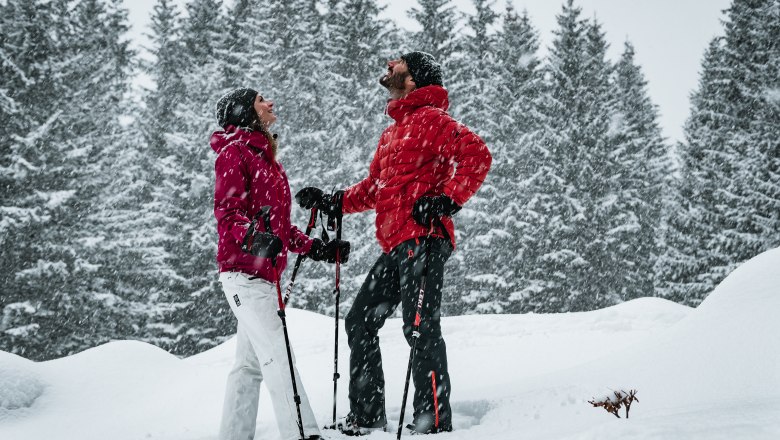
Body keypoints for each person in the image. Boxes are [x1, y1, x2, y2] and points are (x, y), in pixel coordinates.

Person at [296, 52, 492, 435]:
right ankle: (367, 413)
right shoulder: (393, 132)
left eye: (396, 65)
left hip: (424, 239)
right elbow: (375, 188)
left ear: (414, 79)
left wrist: (448, 198)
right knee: (359, 321)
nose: (388, 67)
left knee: (418, 327)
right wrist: (334, 200)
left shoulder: (433, 120)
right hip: (397, 243)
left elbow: (477, 154)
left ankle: (433, 418)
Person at [211, 88, 350, 440]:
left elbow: (281, 227)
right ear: (245, 112)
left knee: (249, 366)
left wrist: (317, 248)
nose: (270, 103)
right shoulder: (234, 153)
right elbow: (229, 215)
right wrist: (254, 239)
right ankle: (303, 434)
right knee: (277, 353)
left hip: (263, 273)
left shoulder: (266, 159)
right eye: (261, 100)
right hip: (244, 275)